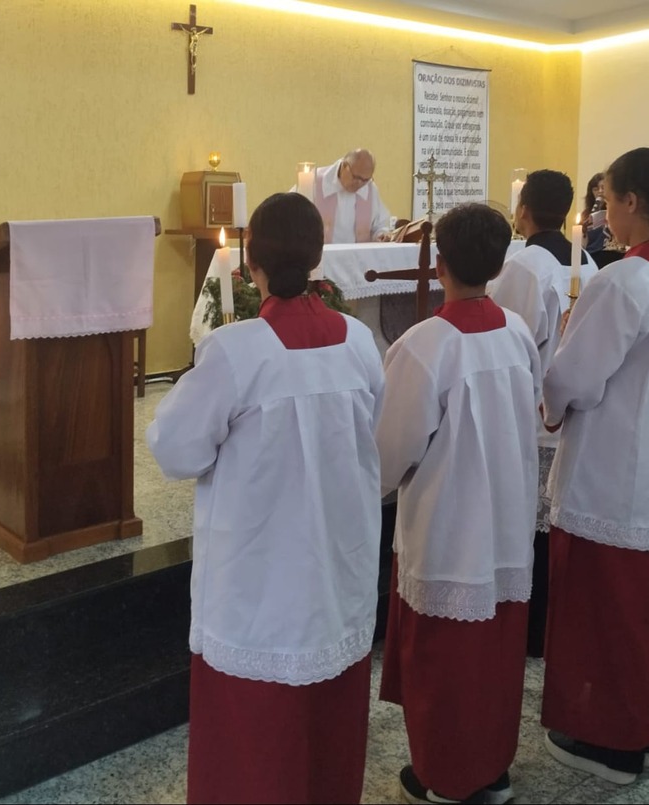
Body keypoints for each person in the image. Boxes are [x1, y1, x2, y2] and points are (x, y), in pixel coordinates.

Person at [146, 192, 385, 804]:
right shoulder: (360, 341)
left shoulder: (235, 350)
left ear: (251, 263)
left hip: (259, 580)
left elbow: (174, 450)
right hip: (335, 569)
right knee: (326, 728)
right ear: (316, 257)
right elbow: (373, 430)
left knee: (255, 743)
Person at [540, 147, 649, 785]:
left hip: (610, 473)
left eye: (606, 200)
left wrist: (552, 393)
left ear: (632, 201)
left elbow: (574, 380)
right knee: (645, 611)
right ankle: (645, 730)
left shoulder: (621, 281)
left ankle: (607, 743)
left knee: (602, 610)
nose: (602, 213)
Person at [377, 203, 542, 805]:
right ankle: (491, 767)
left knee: (444, 659)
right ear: (498, 267)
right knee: (495, 653)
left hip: (448, 524)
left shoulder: (425, 346)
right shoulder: (517, 331)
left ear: (439, 264)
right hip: (506, 519)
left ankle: (447, 777)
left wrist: (373, 484)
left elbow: (391, 450)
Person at [489, 168, 598, 658]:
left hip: (534, 416)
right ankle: (551, 626)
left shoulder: (525, 266)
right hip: (570, 411)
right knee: (550, 525)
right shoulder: (587, 261)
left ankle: (531, 630)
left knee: (529, 527)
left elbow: (506, 339)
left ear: (523, 210)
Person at [294, 148, 392, 244]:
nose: (359, 183)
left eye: (365, 180)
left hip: (358, 254)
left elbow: (380, 224)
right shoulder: (313, 181)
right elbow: (291, 214)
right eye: (356, 177)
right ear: (344, 166)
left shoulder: (370, 189)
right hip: (322, 253)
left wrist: (381, 235)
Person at [581, 171, 624, 269]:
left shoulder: (615, 212)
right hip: (591, 255)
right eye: (596, 189)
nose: (600, 192)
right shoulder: (586, 214)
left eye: (603, 188)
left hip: (609, 255)